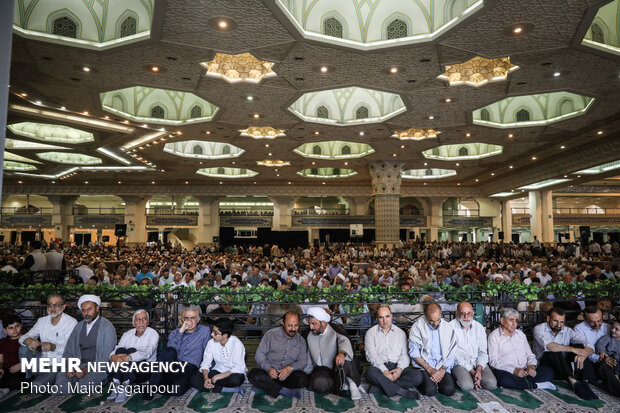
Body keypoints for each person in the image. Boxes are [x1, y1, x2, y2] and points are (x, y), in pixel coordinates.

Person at [55, 295, 117, 394]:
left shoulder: (107, 327)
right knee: (60, 388)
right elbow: (69, 350)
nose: (86, 313)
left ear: (97, 308)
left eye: (89, 309)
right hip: (78, 364)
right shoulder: (79, 326)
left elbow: (106, 357)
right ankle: (74, 379)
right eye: (83, 310)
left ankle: (102, 379)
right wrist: (69, 367)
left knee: (82, 389)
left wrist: (86, 369)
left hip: (97, 367)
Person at [146, 306, 210, 400]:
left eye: (192, 318)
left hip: (189, 367)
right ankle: (151, 387)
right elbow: (172, 350)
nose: (189, 321)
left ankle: (161, 382)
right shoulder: (175, 333)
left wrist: (206, 370)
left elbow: (207, 351)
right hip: (173, 365)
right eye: (186, 318)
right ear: (182, 319)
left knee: (176, 391)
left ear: (198, 319)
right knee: (169, 351)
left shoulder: (204, 331)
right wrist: (181, 331)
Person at [533, 307, 597, 399]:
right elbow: (549, 346)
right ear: (548, 318)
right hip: (545, 363)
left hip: (562, 365)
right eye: (555, 321)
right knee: (553, 351)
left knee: (580, 346)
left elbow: (588, 344)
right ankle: (573, 382)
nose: (559, 325)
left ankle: (584, 381)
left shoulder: (567, 331)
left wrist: (583, 354)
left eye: (562, 322)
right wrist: (573, 349)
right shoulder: (539, 329)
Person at [488, 307, 555, 390]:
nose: (514, 323)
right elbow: (493, 361)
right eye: (511, 320)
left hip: (525, 371)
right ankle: (536, 385)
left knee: (549, 372)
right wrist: (514, 370)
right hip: (507, 371)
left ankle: (520, 383)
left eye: (516, 321)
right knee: (503, 379)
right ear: (502, 321)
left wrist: (532, 367)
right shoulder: (494, 336)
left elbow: (530, 355)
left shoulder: (520, 335)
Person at [364, 306, 422, 399]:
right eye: (381, 317)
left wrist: (399, 370)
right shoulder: (370, 333)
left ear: (391, 316)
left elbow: (405, 354)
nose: (385, 320)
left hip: (396, 367)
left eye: (387, 316)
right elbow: (372, 356)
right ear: (376, 319)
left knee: (418, 376)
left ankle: (380, 388)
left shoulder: (400, 333)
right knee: (370, 372)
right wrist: (385, 371)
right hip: (380, 368)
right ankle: (400, 391)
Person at [248, 311, 310, 398]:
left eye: (296, 325)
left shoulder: (301, 341)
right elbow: (259, 354)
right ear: (283, 323)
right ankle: (284, 391)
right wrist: (268, 368)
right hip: (269, 374)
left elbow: (303, 361)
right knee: (253, 374)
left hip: (288, 376)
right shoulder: (270, 335)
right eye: (289, 325)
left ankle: (269, 387)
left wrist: (290, 368)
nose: (293, 329)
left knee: (303, 379)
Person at [19, 294, 77, 385]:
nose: (53, 308)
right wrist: (28, 341)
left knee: (37, 386)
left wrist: (53, 346)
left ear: (63, 307)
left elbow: (71, 350)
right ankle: (31, 377)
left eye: (57, 305)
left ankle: (50, 378)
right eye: (50, 305)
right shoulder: (42, 321)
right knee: (24, 348)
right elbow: (23, 337)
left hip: (58, 363)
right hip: (42, 361)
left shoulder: (71, 322)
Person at [305, 307, 361, 400]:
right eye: (310, 323)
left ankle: (351, 383)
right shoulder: (309, 334)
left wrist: (341, 353)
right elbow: (306, 355)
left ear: (323, 322)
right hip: (321, 370)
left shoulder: (335, 330)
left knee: (346, 358)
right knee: (319, 383)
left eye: (314, 324)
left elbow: (344, 341)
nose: (311, 327)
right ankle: (342, 383)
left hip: (336, 367)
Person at [106, 309, 159, 403]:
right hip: (128, 369)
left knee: (131, 350)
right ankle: (119, 384)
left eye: (144, 319)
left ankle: (123, 386)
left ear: (148, 322)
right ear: (133, 323)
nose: (141, 322)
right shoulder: (127, 334)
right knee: (120, 350)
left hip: (144, 369)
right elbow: (118, 348)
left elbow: (147, 353)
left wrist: (129, 357)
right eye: (138, 320)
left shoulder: (153, 334)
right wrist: (112, 356)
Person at [408, 303, 458, 396]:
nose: (436, 324)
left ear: (441, 315)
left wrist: (442, 370)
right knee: (430, 391)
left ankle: (436, 380)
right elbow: (414, 353)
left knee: (449, 389)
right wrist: (430, 369)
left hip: (442, 365)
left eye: (438, 320)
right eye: (432, 321)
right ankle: (428, 382)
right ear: (425, 316)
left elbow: (452, 352)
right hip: (425, 366)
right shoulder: (417, 327)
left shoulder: (448, 327)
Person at [450, 302, 497, 391]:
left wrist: (479, 369)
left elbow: (483, 351)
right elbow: (455, 355)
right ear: (457, 314)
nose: (466, 316)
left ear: (473, 314)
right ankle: (468, 378)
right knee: (467, 386)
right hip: (460, 363)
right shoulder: (450, 327)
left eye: (469, 313)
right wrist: (472, 371)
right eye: (462, 313)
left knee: (492, 384)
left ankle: (474, 378)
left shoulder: (479, 327)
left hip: (477, 362)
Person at [191, 318, 246, 393]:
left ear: (225, 335)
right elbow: (205, 363)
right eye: (212, 331)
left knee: (236, 380)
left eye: (215, 333)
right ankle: (228, 389)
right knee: (194, 378)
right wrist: (206, 379)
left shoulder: (236, 343)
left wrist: (218, 377)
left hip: (232, 373)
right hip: (217, 371)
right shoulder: (211, 343)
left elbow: (239, 367)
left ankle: (208, 387)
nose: (212, 334)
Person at [0, 314, 24, 396]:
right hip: (7, 369)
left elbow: (38, 356)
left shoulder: (27, 338)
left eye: (17, 326)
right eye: (11, 328)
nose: (15, 330)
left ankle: (5, 387)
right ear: (5, 330)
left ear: (21, 326)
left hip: (23, 369)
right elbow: (1, 360)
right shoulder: (2, 342)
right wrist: (0, 368)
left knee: (15, 382)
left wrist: (22, 365)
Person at [595, 320, 620, 396]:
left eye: (616, 329)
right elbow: (600, 346)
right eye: (612, 327)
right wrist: (602, 352)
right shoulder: (608, 338)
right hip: (609, 361)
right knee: (613, 358)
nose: (612, 330)